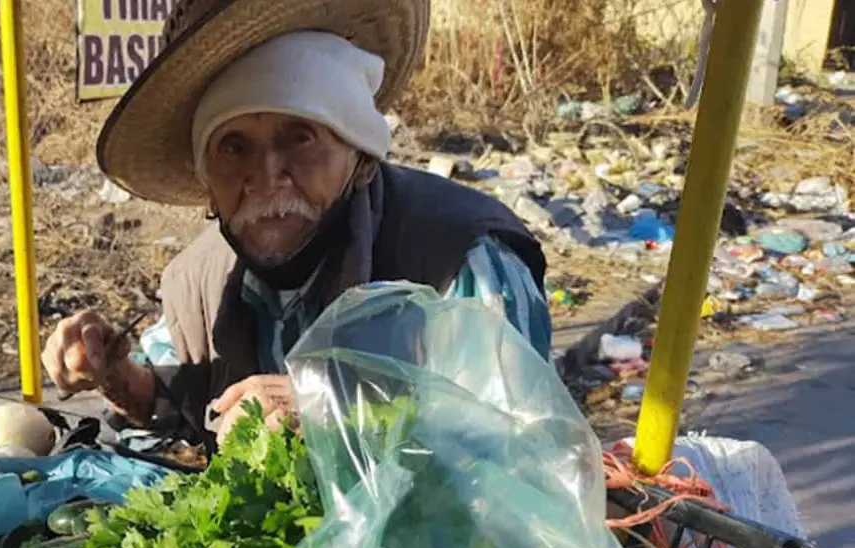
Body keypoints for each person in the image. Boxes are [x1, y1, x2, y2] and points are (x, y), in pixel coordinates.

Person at [43, 0, 550, 444]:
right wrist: (113, 375)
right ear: (207, 188)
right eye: (233, 147)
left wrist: (343, 415)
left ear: (363, 159)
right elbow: (175, 395)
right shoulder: (198, 281)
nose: (266, 179)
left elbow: (526, 446)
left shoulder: (458, 256)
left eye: (300, 137)